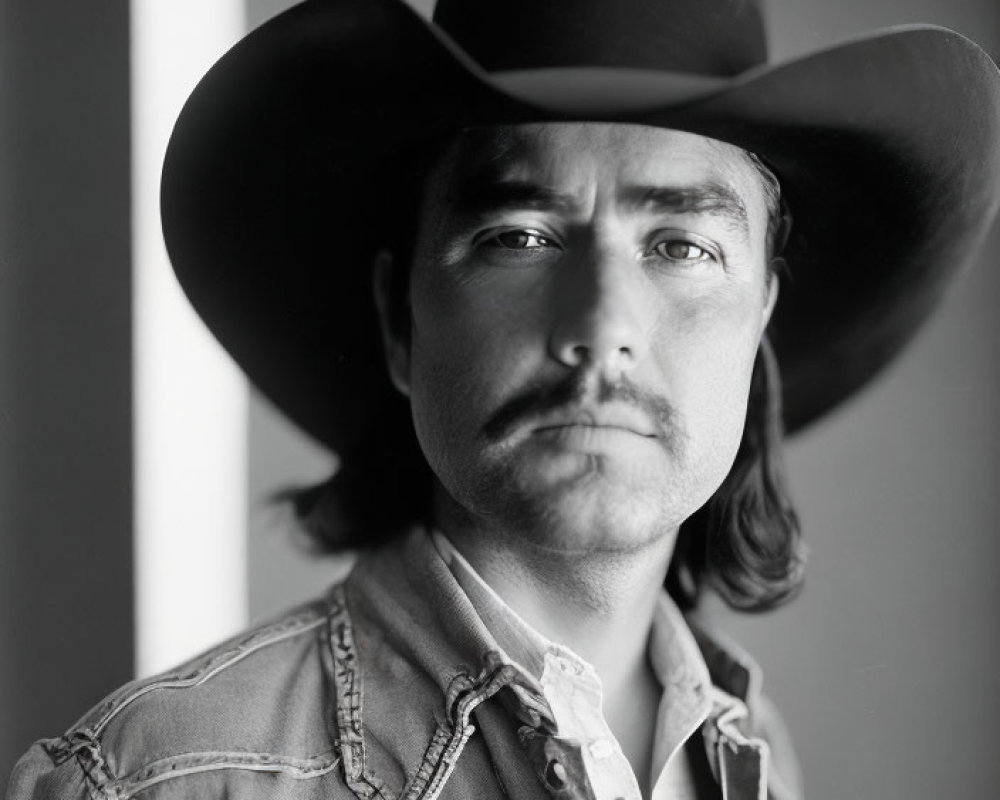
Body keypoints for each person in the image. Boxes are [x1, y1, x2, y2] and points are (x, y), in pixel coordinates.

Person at [7, 0, 1000, 798]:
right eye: (518, 236)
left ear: (758, 322)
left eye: (682, 247)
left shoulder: (750, 752)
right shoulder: (161, 780)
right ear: (402, 320)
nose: (601, 326)